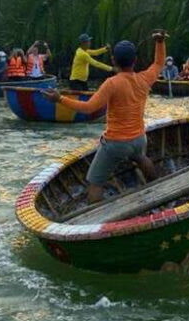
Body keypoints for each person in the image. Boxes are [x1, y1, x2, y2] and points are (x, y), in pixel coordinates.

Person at [43, 30, 167, 203]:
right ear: (135, 61)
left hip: (116, 143)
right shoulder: (144, 79)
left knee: (95, 182)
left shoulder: (111, 84)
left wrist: (60, 99)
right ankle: (158, 188)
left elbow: (88, 108)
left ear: (114, 61)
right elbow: (159, 63)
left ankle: (96, 215)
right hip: (139, 139)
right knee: (140, 156)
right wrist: (159, 42)